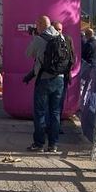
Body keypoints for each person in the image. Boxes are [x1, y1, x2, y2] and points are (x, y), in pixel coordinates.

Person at [25, 15, 66, 153]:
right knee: (55, 112)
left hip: (43, 78)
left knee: (40, 112)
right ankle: (53, 144)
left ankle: (39, 143)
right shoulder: (61, 37)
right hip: (59, 78)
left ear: (41, 25)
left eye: (37, 25)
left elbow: (29, 54)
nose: (36, 27)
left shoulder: (39, 38)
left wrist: (34, 38)